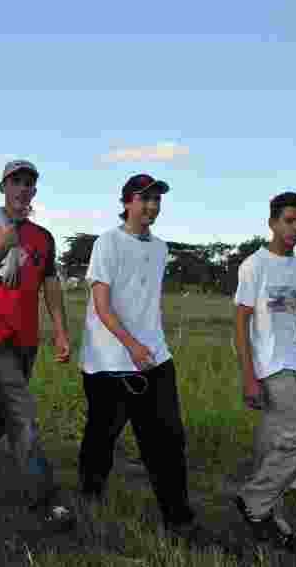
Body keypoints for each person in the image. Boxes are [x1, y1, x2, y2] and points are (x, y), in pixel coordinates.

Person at [78, 174, 204, 541]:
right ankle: (89, 495)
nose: (151, 206)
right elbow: (102, 304)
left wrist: (146, 345)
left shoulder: (161, 248)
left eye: (156, 200)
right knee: (102, 436)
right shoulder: (109, 242)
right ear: (127, 202)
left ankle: (178, 518)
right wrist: (130, 344)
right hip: (108, 363)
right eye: (144, 198)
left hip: (154, 358)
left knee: (166, 439)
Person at [0, 160, 75, 529]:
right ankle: (45, 497)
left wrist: (59, 330)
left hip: (27, 336)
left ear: (34, 191)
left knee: (1, 406)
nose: (22, 189)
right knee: (22, 409)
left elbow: (50, 285)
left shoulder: (43, 237)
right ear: (3, 187)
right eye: (16, 182)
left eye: (28, 183)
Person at [232, 192, 296, 551]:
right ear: (272, 223)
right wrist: (249, 375)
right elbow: (241, 323)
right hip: (270, 367)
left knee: (275, 450)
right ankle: (253, 499)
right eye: (289, 220)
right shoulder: (255, 265)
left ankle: (270, 522)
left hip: (294, 367)